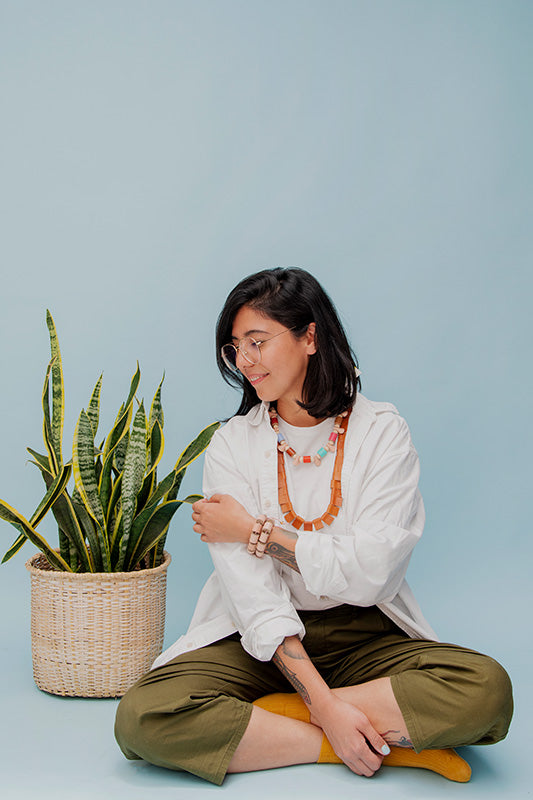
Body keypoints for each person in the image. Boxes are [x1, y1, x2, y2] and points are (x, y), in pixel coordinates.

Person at [115, 267, 513, 786]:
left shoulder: (381, 433)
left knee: (487, 690)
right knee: (142, 716)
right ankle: (360, 741)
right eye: (235, 346)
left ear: (310, 337)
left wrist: (258, 532)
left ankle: (270, 721)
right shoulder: (232, 444)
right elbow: (255, 596)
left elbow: (373, 574)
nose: (244, 360)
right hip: (260, 640)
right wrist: (326, 708)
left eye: (257, 341)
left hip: (363, 632)